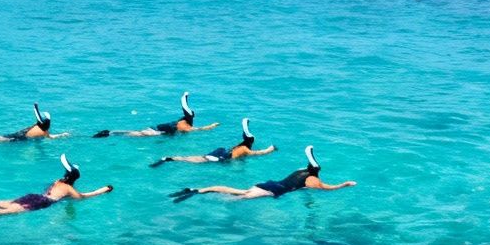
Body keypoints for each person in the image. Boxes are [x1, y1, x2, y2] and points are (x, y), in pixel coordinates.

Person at [0, 155, 114, 218]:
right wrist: (102, 190)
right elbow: (83, 198)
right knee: (5, 213)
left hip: (34, 196)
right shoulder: (70, 189)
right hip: (41, 203)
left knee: (2, 202)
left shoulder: (57, 181)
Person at [170, 146, 353, 200]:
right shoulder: (313, 180)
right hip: (273, 190)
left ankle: (200, 190)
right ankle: (198, 191)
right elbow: (328, 188)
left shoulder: (300, 170)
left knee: (241, 193)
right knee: (239, 196)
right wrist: (344, 184)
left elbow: (306, 170)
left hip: (268, 183)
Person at [150, 118, 275, 167]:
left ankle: (169, 159)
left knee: (195, 158)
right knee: (199, 160)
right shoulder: (245, 149)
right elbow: (260, 153)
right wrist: (271, 149)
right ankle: (169, 159)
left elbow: (247, 136)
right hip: (221, 157)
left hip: (221, 152)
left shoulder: (238, 146)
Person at [92, 91, 218, 138]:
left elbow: (184, 106)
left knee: (134, 133)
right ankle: (109, 133)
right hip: (155, 132)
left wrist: (185, 96)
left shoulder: (182, 121)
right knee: (134, 134)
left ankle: (109, 133)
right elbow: (199, 129)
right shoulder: (186, 126)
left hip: (156, 129)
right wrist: (212, 126)